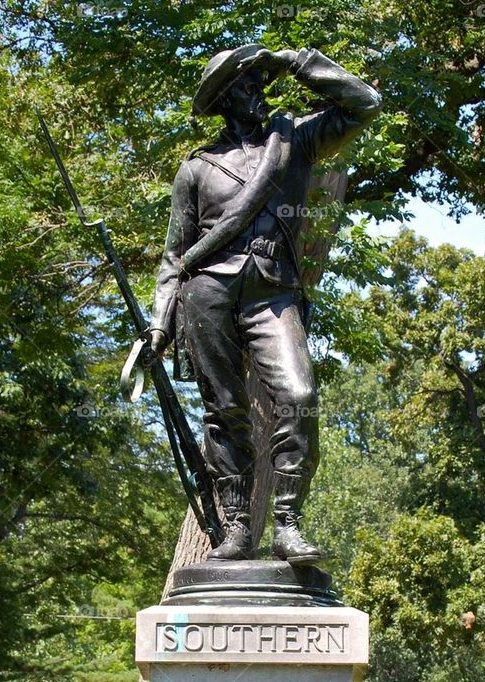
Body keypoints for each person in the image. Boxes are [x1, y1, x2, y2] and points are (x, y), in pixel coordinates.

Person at [149, 44, 381, 564]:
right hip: (207, 293)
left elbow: (364, 103)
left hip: (273, 290)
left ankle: (288, 525)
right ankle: (235, 528)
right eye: (247, 85)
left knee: (298, 395)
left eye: (260, 82)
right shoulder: (197, 169)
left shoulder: (293, 140)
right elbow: (174, 256)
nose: (259, 92)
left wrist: (301, 60)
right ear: (226, 99)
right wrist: (160, 325)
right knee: (224, 410)